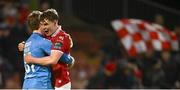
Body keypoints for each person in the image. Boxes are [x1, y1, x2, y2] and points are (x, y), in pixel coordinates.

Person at [21, 9, 74, 90]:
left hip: (27, 84)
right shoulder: (44, 42)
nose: (45, 27)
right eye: (44, 24)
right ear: (40, 24)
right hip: (41, 84)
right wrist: (70, 59)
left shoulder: (28, 42)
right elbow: (56, 58)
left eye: (46, 24)